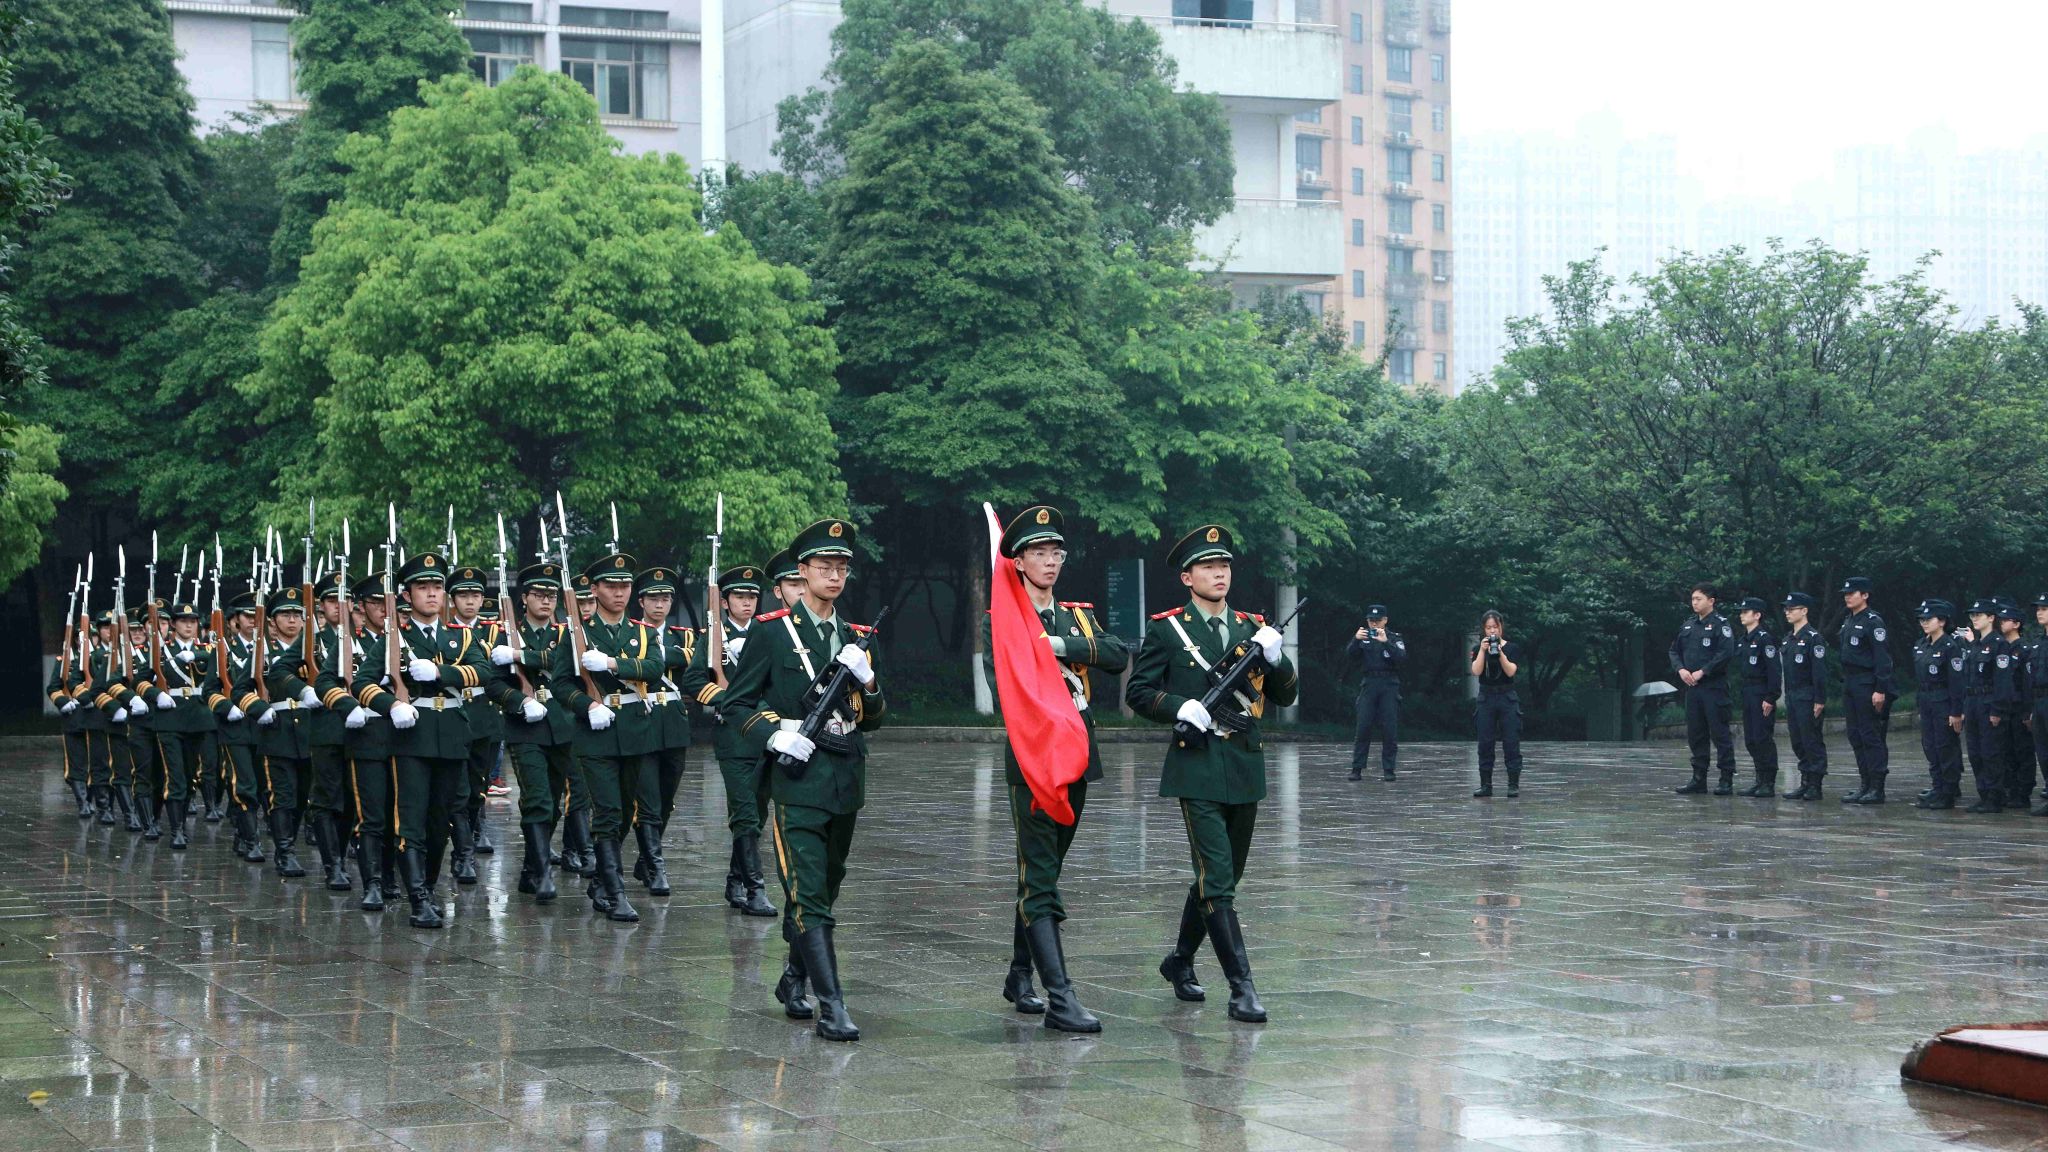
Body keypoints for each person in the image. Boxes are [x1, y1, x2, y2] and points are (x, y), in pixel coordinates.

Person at [722, 518, 887, 1042]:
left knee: (826, 885)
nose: (834, 575)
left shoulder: (855, 637)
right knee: (807, 890)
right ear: (803, 571)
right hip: (798, 780)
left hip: (845, 778)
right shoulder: (772, 632)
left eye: (842, 568)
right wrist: (773, 735)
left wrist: (869, 681)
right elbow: (736, 704)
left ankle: (795, 974)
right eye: (824, 566)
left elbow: (874, 718)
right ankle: (832, 1006)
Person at [1127, 525, 1296, 1025]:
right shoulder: (1167, 630)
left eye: (1223, 565)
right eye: (1207, 566)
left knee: (1221, 876)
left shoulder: (1252, 627)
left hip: (1244, 765)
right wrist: (1180, 706)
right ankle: (1242, 988)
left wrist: (1276, 657)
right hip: (1197, 767)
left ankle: (1180, 960)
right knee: (1218, 879)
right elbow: (1139, 692)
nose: (1219, 573)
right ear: (1187, 577)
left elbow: (1286, 696)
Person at [983, 505, 1126, 1033]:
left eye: (1056, 553)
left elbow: (1116, 653)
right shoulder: (1004, 619)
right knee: (1040, 876)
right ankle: (1060, 998)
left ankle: (1020, 973)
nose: (1049, 561)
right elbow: (1003, 684)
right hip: (1033, 755)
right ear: (1018, 562)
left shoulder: (1075, 616)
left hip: (1079, 753)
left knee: (1044, 872)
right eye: (1038, 553)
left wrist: (1063, 645)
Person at [354, 552, 487, 928]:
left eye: (437, 587)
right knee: (410, 820)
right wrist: (390, 705)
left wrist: (441, 672)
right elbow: (361, 683)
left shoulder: (460, 636)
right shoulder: (393, 639)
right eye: (422, 587)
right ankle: (418, 898)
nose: (431, 593)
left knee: (440, 822)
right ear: (407, 595)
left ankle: (426, 886)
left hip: (452, 736)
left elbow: (484, 671)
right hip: (411, 737)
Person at [550, 551, 671, 923]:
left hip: (635, 731)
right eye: (611, 586)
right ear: (595, 590)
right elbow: (560, 684)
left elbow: (655, 668)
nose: (619, 593)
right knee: (607, 811)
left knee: (625, 812)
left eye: (625, 586)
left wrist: (612, 664)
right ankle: (616, 893)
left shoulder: (643, 632)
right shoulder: (577, 634)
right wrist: (587, 706)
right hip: (596, 735)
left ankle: (602, 880)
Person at [692, 562, 779, 917]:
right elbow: (693, 681)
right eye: (739, 596)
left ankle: (735, 881)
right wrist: (731, 700)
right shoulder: (713, 636)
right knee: (744, 813)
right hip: (733, 737)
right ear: (725, 601)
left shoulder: (768, 633)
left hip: (767, 734)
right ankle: (756, 889)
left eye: (752, 597)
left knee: (757, 813)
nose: (747, 603)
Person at [629, 564, 708, 897]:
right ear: (641, 602)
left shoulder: (684, 635)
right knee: (647, 798)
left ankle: (646, 859)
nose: (660, 604)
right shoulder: (629, 633)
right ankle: (657, 866)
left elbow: (696, 657)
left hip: (674, 722)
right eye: (653, 599)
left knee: (666, 798)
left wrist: (660, 653)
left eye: (665, 599)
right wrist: (668, 657)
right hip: (642, 718)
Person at [501, 562, 576, 904]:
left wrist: (520, 656)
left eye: (551, 595)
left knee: (555, 804)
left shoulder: (566, 634)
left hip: (561, 725)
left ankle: (531, 869)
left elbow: (566, 660)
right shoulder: (506, 633)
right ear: (524, 598)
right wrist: (519, 701)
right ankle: (543, 873)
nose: (546, 601)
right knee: (538, 800)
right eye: (539, 594)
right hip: (525, 728)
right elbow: (493, 682)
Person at [341, 571, 398, 910]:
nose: (383, 609)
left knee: (398, 813)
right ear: (362, 607)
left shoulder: (406, 639)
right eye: (376, 603)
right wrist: (348, 704)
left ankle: (391, 875)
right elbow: (326, 682)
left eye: (388, 603)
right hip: (367, 735)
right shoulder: (348, 642)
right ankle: (373, 882)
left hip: (405, 737)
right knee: (373, 814)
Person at [256, 586, 319, 878]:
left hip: (309, 731)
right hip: (277, 732)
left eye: (297, 614)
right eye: (285, 615)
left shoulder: (314, 653)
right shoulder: (262, 653)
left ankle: (289, 841)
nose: (292, 620)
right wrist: (259, 708)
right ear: (272, 621)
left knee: (303, 796)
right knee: (282, 796)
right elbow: (241, 689)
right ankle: (285, 852)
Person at [148, 599, 218, 851]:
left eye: (193, 621)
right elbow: (140, 680)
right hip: (170, 718)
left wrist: (196, 654)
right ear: (174, 625)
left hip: (198, 717)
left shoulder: (207, 648)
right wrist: (157, 695)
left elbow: (220, 661)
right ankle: (176, 829)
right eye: (183, 621)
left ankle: (181, 824)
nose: (188, 626)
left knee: (189, 775)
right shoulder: (161, 649)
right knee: (175, 775)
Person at [1670, 585, 1736, 795]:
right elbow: (1674, 651)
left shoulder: (1720, 625)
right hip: (1693, 688)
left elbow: (1725, 652)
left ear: (1711, 600)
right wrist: (1681, 669)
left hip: (1714, 687)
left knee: (1719, 733)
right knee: (1696, 734)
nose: (1694, 602)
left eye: (1699, 598)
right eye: (1693, 599)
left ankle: (1726, 778)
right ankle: (1699, 778)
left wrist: (1704, 671)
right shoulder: (1688, 625)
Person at [1835, 576, 1893, 805]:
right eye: (1846, 594)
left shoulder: (1873, 622)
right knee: (1855, 735)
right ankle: (1865, 783)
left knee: (1870, 735)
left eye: (1852, 593)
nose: (1847, 597)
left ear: (1865, 595)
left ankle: (1877, 787)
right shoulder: (1848, 620)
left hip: (1866, 682)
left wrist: (1880, 689)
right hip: (1850, 682)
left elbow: (1882, 658)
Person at [1910, 599, 1966, 810]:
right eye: (1922, 619)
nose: (1924, 622)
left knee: (1945, 747)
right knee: (1930, 746)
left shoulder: (1950, 647)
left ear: (1941, 621)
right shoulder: (1922, 644)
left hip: (1943, 701)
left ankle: (1948, 792)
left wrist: (1956, 711)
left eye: (1929, 619)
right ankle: (1938, 786)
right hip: (1926, 701)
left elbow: (1956, 683)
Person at [1778, 593, 1830, 800]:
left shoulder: (1813, 638)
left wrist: (1819, 699)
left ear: (1804, 611)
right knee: (1797, 740)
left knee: (1811, 740)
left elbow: (1819, 672)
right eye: (1786, 609)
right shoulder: (1788, 639)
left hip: (1807, 695)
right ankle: (1805, 780)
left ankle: (1815, 784)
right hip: (1792, 696)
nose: (1787, 613)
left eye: (1792, 609)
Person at [1345, 605, 1405, 781]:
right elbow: (1350, 655)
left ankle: (1389, 769)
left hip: (1389, 684)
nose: (1374, 624)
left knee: (1389, 729)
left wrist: (1386, 642)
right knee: (1363, 727)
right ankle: (1357, 768)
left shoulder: (1394, 637)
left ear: (1385, 620)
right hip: (1369, 683)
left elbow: (1402, 658)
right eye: (1371, 620)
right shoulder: (1363, 637)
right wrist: (1355, 639)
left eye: (1378, 621)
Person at [1470, 610, 1524, 798]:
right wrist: (1482, 651)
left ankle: (1513, 784)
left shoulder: (1512, 648)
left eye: (1495, 627)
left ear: (1501, 627)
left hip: (1507, 696)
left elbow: (1511, 671)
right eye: (1488, 627)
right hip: (1486, 697)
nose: (1492, 631)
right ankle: (1486, 784)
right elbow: (1476, 671)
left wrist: (1500, 652)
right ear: (1483, 629)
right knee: (1485, 742)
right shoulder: (1478, 648)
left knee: (1511, 741)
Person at [1733, 597, 1781, 797]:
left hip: (1761, 692)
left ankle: (1768, 782)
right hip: (1748, 691)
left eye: (1746, 612)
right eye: (1741, 612)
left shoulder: (1764, 638)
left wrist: (1771, 697)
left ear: (1757, 615)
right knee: (1751, 739)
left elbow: (1774, 670)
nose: (1741, 615)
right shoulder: (1744, 639)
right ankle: (1759, 779)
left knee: (1762, 738)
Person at [1961, 600, 2004, 813]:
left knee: (1990, 752)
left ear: (1991, 618)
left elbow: (2002, 680)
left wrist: (1997, 709)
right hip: (1972, 703)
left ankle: (1995, 797)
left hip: (1988, 702)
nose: (1975, 618)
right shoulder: (1975, 645)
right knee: (1975, 752)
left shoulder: (1998, 644)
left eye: (1979, 615)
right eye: (1973, 615)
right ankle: (1984, 794)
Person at [1992, 601, 2032, 808]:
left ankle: (2023, 792)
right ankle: (2010, 788)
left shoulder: (2024, 649)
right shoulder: (2001, 648)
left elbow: (2027, 683)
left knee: (2022, 751)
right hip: (2005, 708)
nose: (2001, 623)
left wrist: (2028, 712)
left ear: (2016, 624)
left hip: (2019, 707)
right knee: (2005, 750)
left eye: (2005, 620)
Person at [2030, 593, 2048, 816]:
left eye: (2044, 608)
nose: (2039, 612)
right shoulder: (2038, 642)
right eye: (2038, 609)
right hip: (2040, 701)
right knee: (2043, 752)